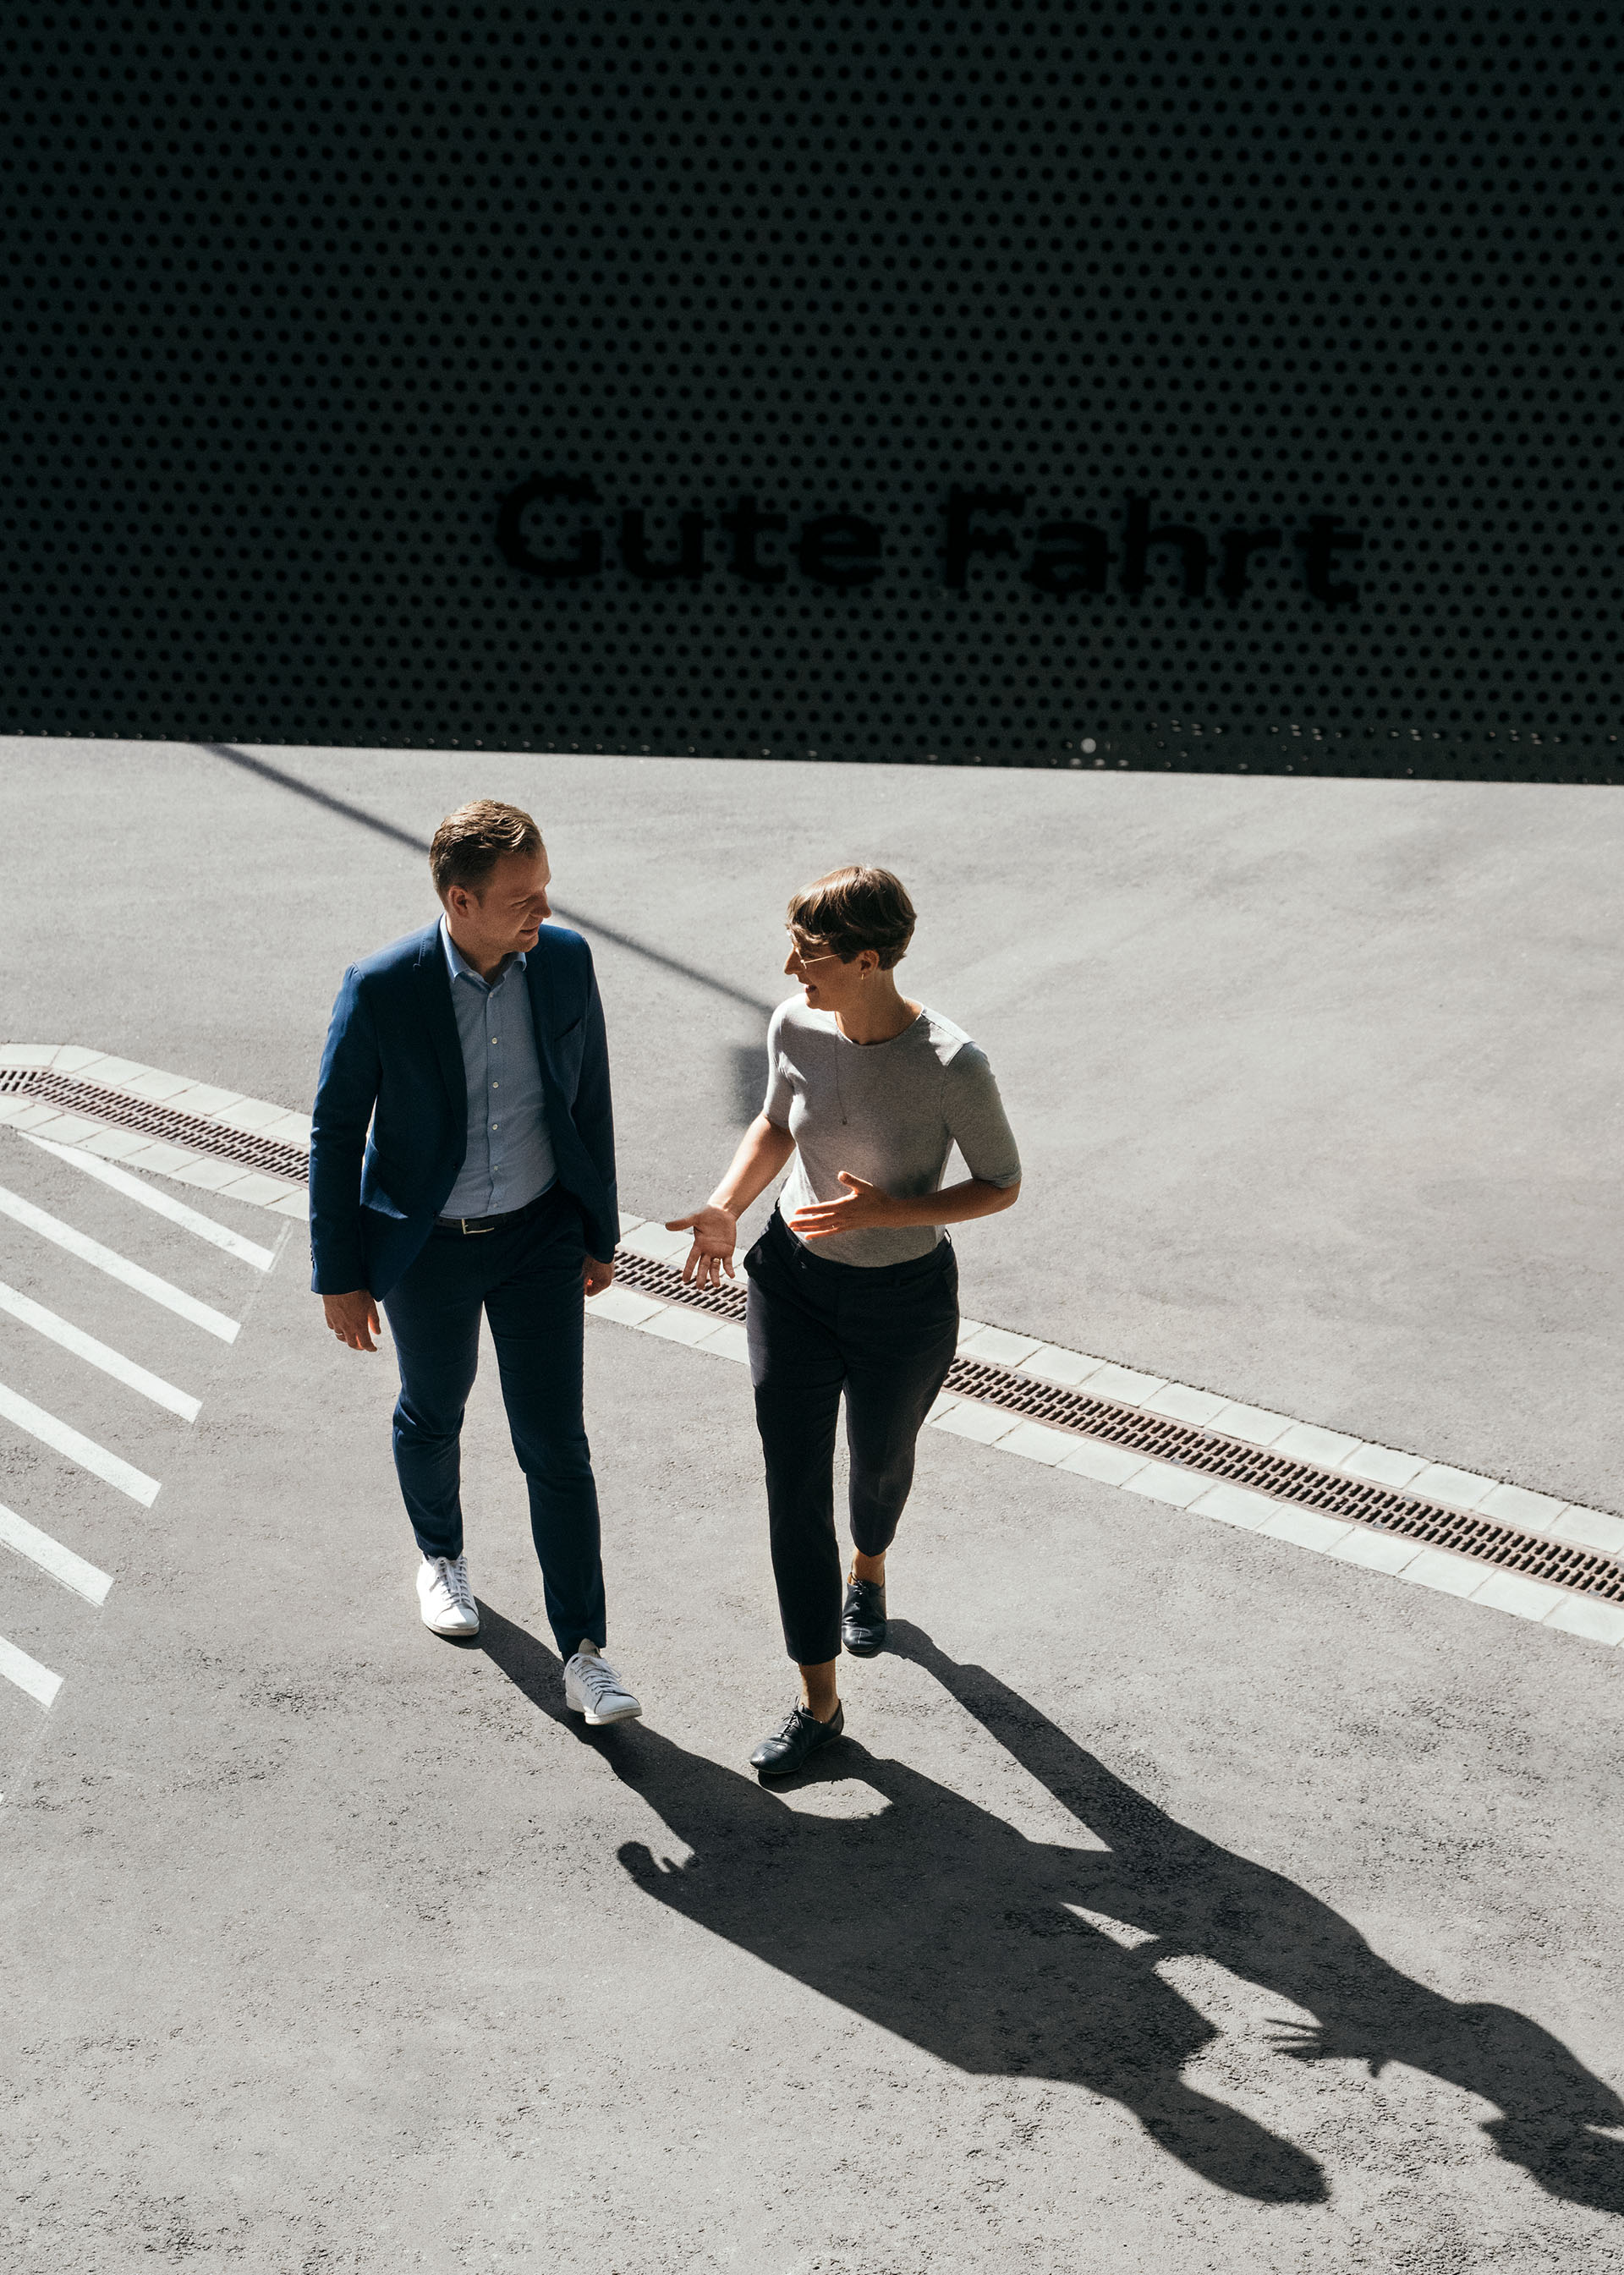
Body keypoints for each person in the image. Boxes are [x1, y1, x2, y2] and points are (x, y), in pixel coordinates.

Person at [667, 864, 1021, 1776]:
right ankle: (818, 1702)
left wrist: (886, 1213)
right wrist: (727, 1203)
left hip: (900, 1300)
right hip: (790, 1279)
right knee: (793, 1484)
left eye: (811, 953)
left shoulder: (952, 1064)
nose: (792, 967)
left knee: (877, 1465)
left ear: (869, 959)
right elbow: (778, 1122)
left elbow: (1000, 1182)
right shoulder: (795, 1024)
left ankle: (871, 1564)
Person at [309, 798, 641, 1727]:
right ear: (460, 898)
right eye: (521, 898)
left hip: (537, 1236)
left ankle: (585, 1652)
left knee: (556, 1442)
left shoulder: (565, 961)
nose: (543, 911)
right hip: (428, 1247)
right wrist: (341, 1272)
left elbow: (592, 1101)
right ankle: (441, 1555)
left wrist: (595, 1231)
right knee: (432, 1406)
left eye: (544, 890)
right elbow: (337, 1131)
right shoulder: (383, 986)